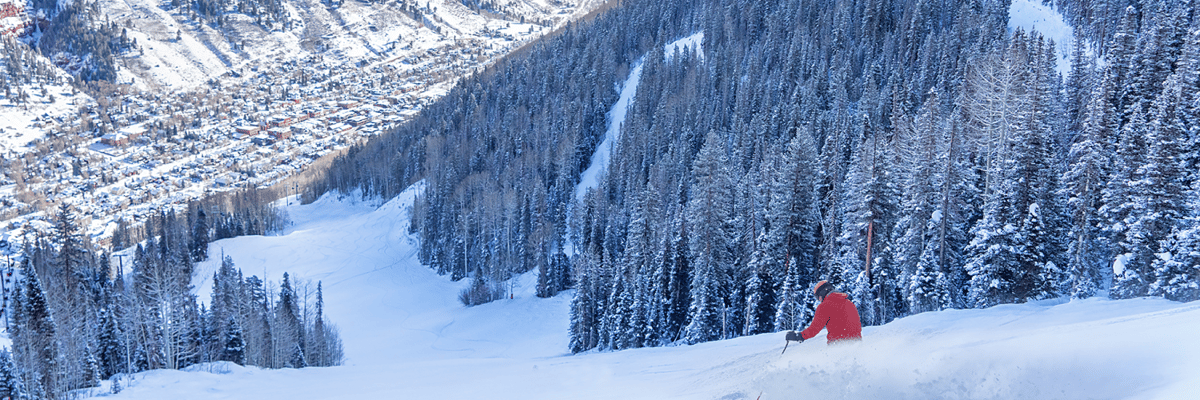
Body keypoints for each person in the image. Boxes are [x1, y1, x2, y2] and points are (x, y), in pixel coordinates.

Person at [786, 280, 862, 344]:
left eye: (818, 297)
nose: (819, 300)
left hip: (838, 346)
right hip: (857, 344)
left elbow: (814, 329)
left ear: (822, 293)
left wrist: (799, 336)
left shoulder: (825, 306)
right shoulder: (849, 303)